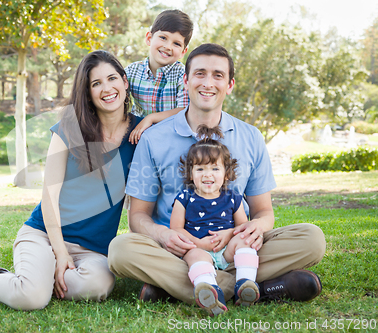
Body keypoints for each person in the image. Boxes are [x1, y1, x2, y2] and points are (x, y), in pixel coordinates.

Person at [0, 50, 143, 310]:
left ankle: (16, 279)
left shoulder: (140, 135)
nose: (107, 88)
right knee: (33, 298)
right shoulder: (69, 128)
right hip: (44, 235)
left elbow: (184, 114)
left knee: (98, 286)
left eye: (112, 78)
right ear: (87, 92)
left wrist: (154, 117)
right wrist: (59, 252)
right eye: (96, 83)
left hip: (93, 250)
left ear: (125, 82)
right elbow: (49, 195)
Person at [108, 43, 326, 310]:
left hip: (237, 248)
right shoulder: (153, 138)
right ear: (186, 80)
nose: (207, 83)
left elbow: (263, 211)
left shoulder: (251, 137)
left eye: (218, 75)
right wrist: (163, 236)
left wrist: (254, 229)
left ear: (230, 84)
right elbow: (138, 216)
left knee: (312, 239)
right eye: (199, 73)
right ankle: (259, 287)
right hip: (178, 252)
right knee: (121, 250)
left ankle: (181, 287)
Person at [170, 125, 261, 316]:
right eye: (200, 168)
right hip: (197, 248)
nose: (207, 174)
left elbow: (243, 227)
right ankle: (210, 291)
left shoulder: (233, 198)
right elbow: (176, 228)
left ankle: (244, 284)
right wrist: (198, 243)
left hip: (226, 251)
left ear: (226, 173)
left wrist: (229, 236)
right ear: (190, 173)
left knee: (245, 241)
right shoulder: (185, 198)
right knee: (195, 256)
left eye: (214, 168)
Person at [126, 9, 194, 144]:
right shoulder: (132, 71)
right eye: (163, 38)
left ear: (183, 52)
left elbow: (184, 111)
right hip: (137, 137)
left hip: (172, 139)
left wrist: (151, 118)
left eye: (176, 43)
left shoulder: (183, 76)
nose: (168, 46)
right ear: (149, 38)